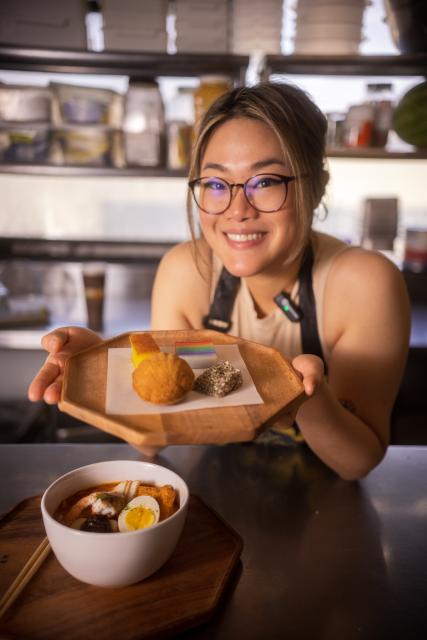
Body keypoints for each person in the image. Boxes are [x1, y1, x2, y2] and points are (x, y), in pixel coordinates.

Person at [28, 82, 410, 480]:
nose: (237, 210)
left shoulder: (364, 283)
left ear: (317, 187)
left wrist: (305, 397)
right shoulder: (187, 272)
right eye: (215, 184)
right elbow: (151, 441)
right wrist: (109, 367)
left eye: (265, 182)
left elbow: (356, 462)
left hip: (327, 512)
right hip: (209, 500)